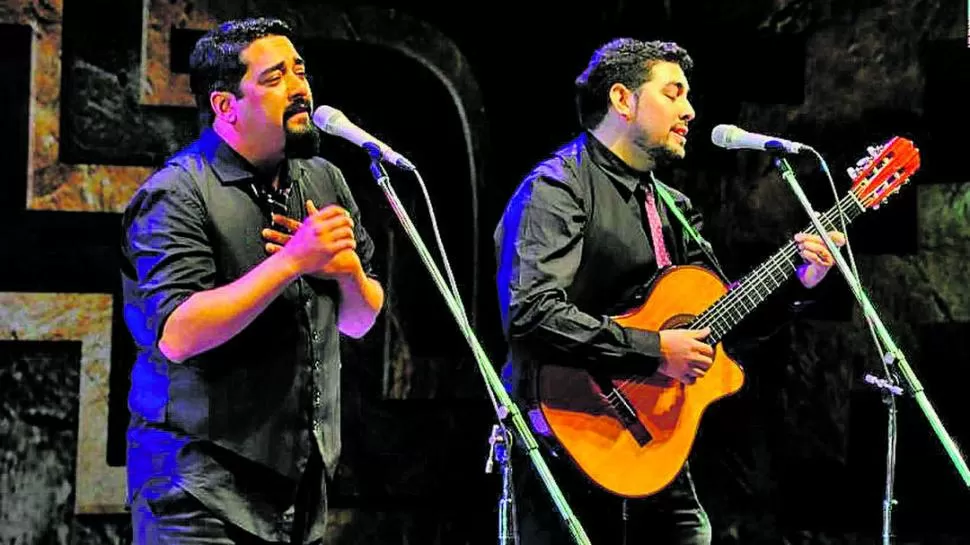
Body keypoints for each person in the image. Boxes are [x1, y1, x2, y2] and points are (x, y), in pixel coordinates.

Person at [493, 38, 845, 544]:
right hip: (569, 445)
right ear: (622, 99)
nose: (690, 110)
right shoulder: (557, 188)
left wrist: (798, 282)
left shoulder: (674, 206)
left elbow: (721, 327)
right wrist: (655, 350)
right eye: (673, 93)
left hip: (657, 454)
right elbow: (533, 313)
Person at [119, 16, 384, 544]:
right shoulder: (178, 192)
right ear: (225, 105)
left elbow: (360, 320)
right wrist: (291, 262)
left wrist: (345, 269)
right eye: (274, 78)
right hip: (198, 489)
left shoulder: (323, 180)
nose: (299, 88)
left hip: (299, 487)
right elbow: (176, 334)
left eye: (300, 72)